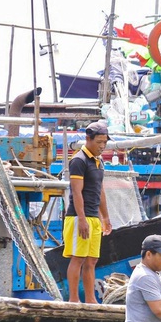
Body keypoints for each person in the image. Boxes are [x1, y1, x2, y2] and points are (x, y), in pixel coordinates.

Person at [62, 121, 113, 303]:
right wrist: (82, 219)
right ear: (88, 139)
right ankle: (74, 300)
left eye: (105, 142)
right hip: (78, 217)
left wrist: (105, 217)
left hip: (94, 218)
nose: (102, 146)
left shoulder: (99, 161)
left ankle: (91, 300)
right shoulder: (79, 160)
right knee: (78, 258)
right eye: (99, 142)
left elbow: (100, 191)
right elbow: (76, 191)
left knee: (91, 260)